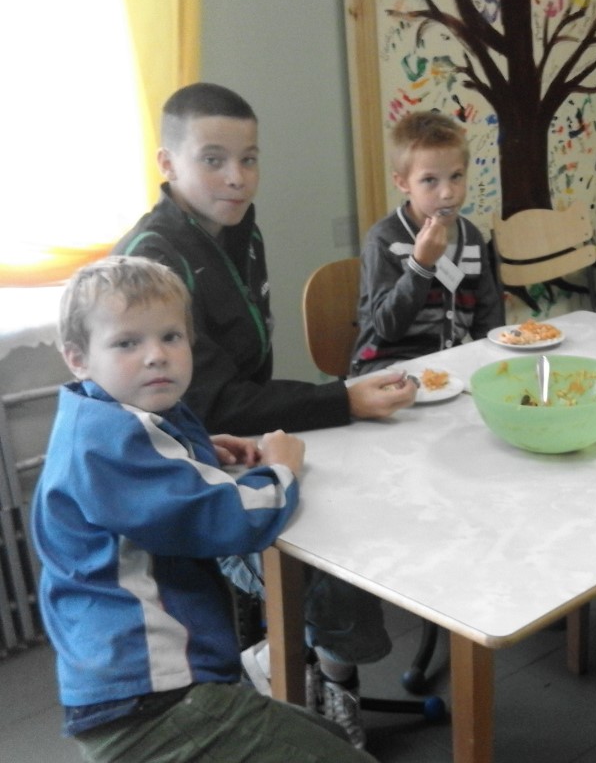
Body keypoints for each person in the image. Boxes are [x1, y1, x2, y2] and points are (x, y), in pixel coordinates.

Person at [113, 82, 414, 747]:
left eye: (249, 159)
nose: (237, 177)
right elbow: (212, 399)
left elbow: (247, 373)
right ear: (167, 163)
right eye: (214, 160)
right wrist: (343, 398)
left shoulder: (238, 232)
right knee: (327, 549)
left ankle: (298, 662)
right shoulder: (151, 261)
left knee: (358, 491)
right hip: (180, 474)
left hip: (235, 443)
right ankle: (322, 678)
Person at [31, 257, 376, 763]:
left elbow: (152, 464)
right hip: (153, 700)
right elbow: (230, 518)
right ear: (78, 358)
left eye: (171, 337)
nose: (156, 356)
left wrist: (196, 450)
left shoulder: (99, 415)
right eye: (127, 343)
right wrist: (280, 470)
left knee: (323, 738)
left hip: (129, 685)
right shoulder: (109, 445)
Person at [350, 110, 504, 376]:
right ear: (402, 183)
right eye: (430, 180)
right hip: (385, 368)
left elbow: (488, 319)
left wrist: (497, 364)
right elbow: (387, 328)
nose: (447, 193)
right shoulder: (384, 240)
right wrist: (420, 266)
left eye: (456, 176)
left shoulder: (472, 238)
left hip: (449, 366)